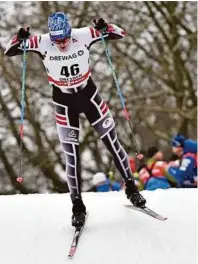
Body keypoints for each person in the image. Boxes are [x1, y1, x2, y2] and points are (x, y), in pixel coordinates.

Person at [4, 12, 146, 227]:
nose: (61, 44)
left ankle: (132, 189)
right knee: (72, 157)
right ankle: (77, 206)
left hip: (90, 98)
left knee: (112, 143)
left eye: (64, 39)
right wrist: (20, 36)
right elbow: (10, 50)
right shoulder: (42, 42)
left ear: (70, 33)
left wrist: (105, 26)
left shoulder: (84, 35)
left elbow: (120, 33)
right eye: (57, 40)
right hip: (63, 104)